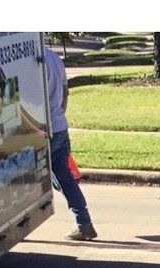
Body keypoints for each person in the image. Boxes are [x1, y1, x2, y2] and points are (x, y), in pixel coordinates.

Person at [42, 36, 97, 241]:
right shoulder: (55, 58)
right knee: (64, 177)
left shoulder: (32, 60)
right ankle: (84, 222)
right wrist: (60, 116)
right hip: (59, 126)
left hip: (41, 129)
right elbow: (65, 92)